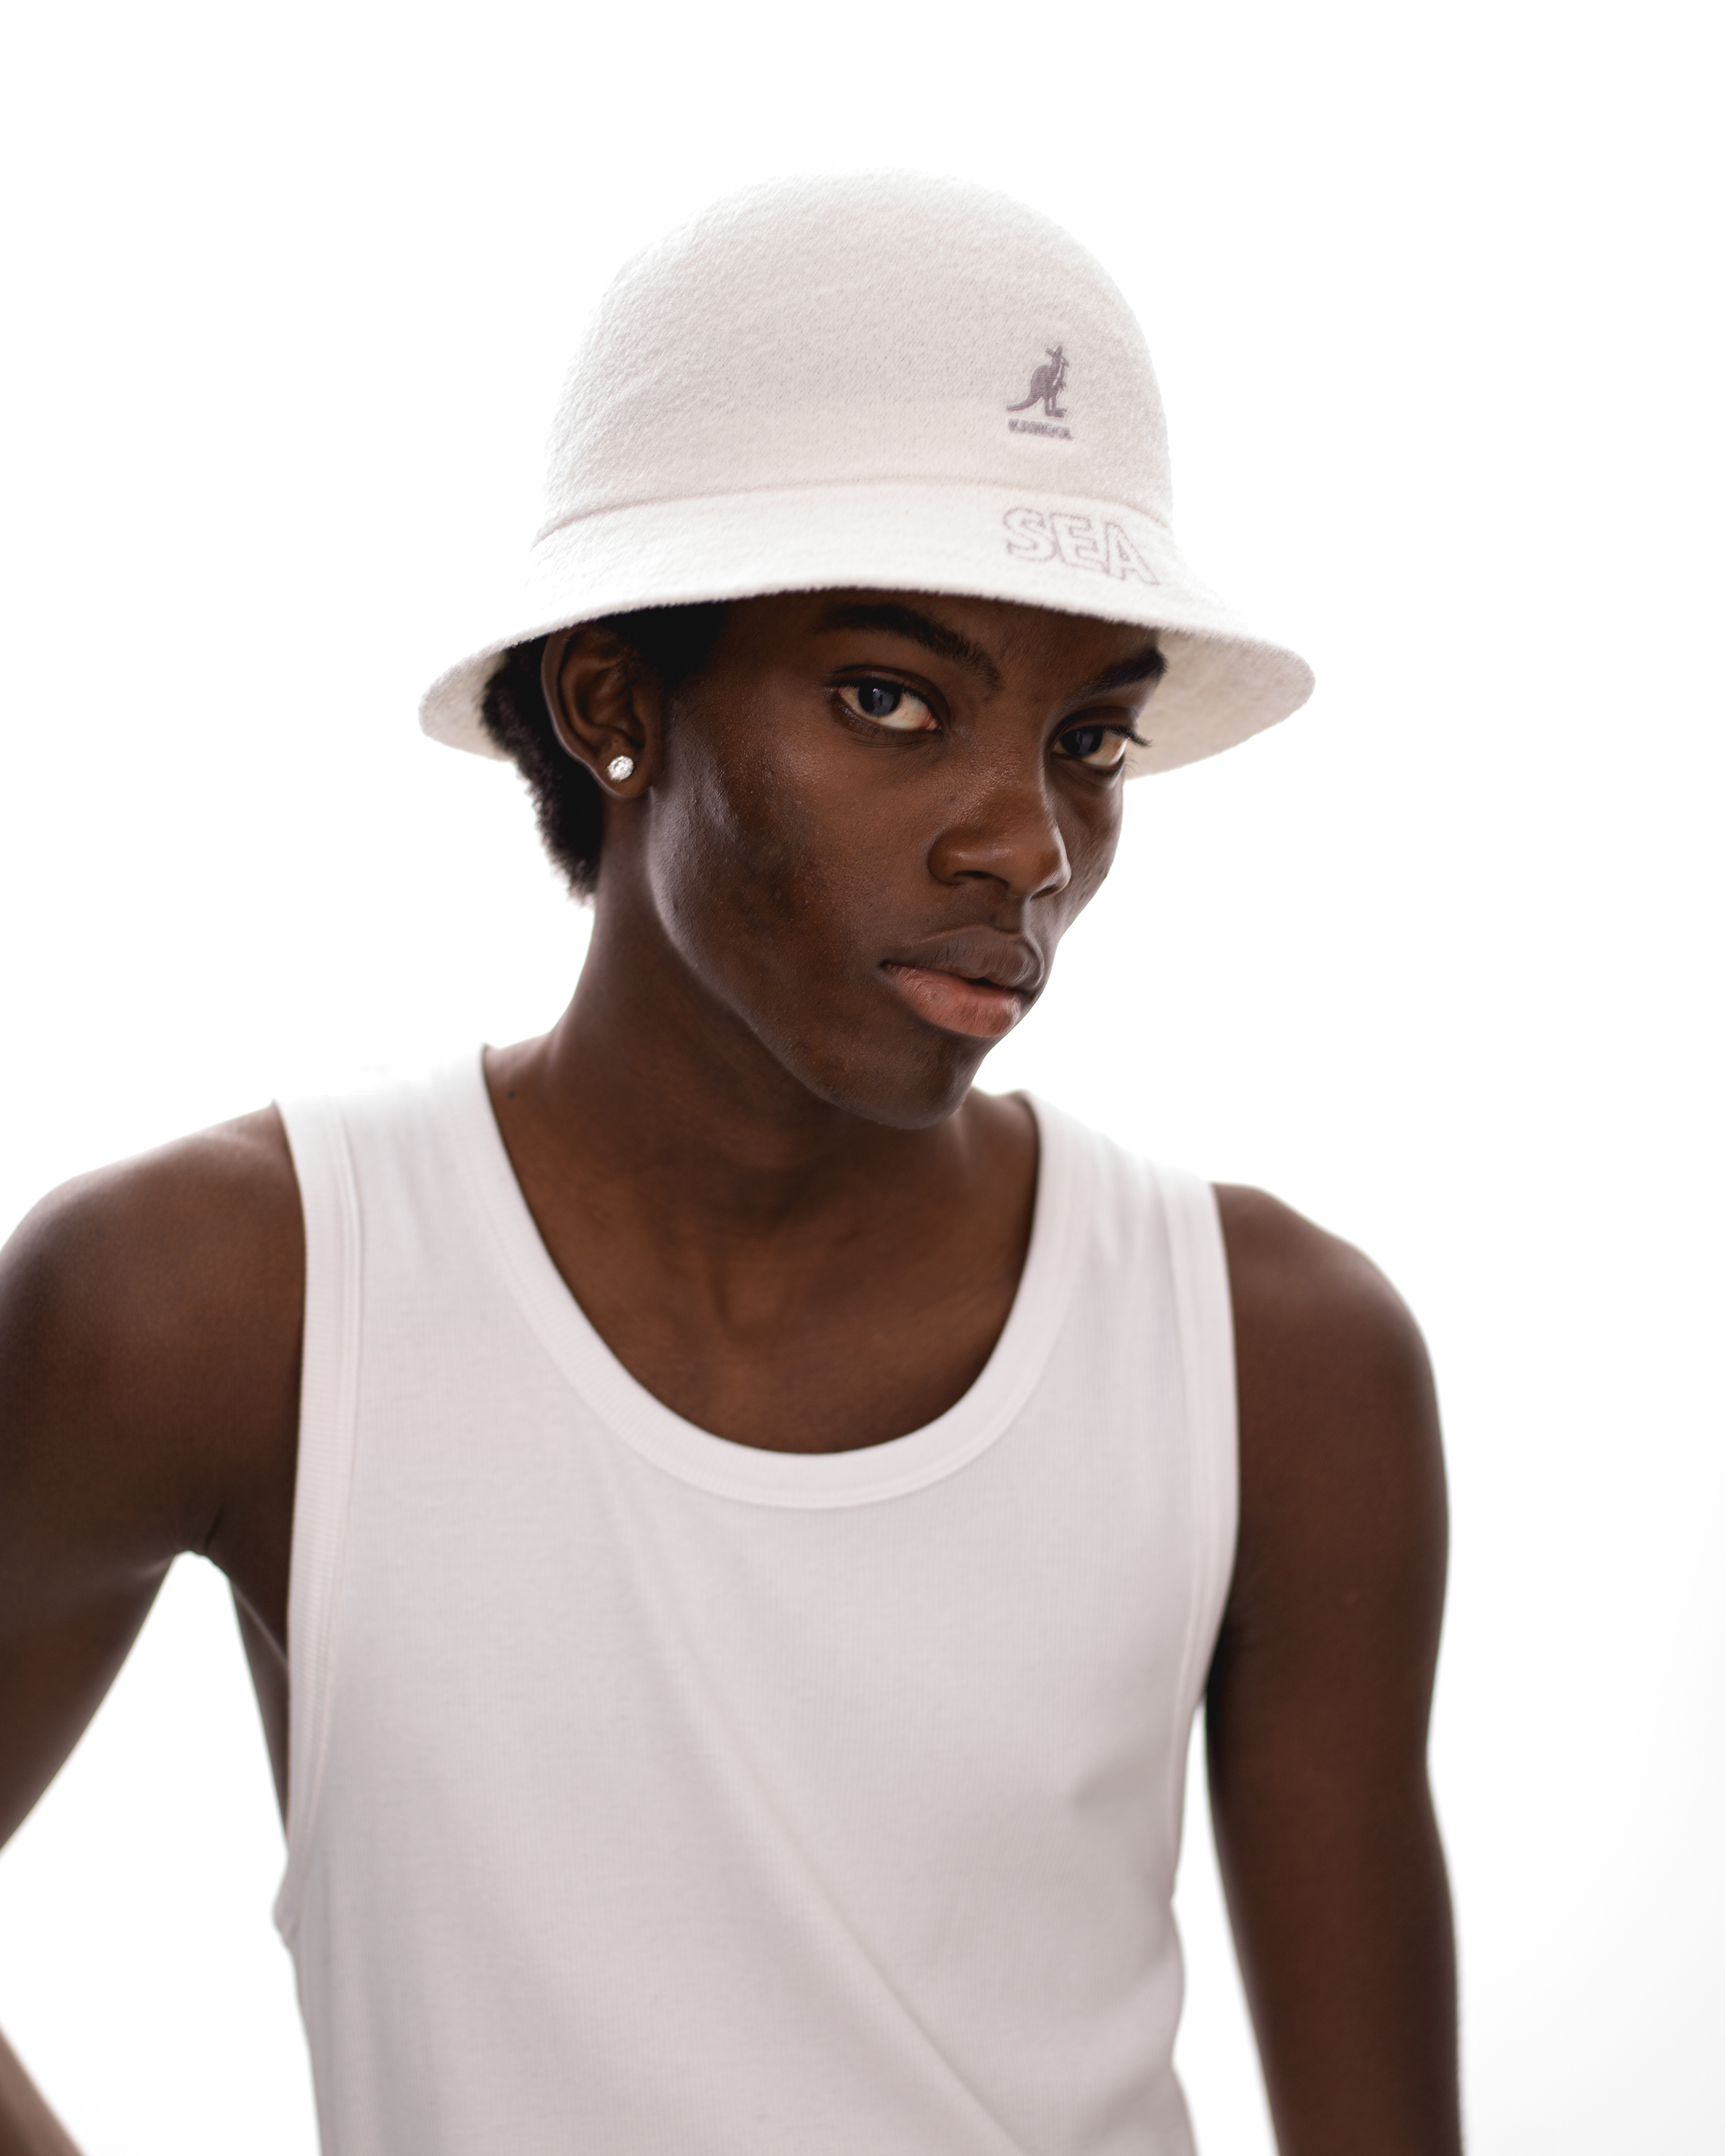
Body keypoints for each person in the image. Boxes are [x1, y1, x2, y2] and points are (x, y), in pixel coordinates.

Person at [0, 175, 1458, 2156]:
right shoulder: (232, 1298)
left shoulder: (1276, 1360)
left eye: (1090, 742)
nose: (1026, 844)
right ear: (614, 704)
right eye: (892, 698)